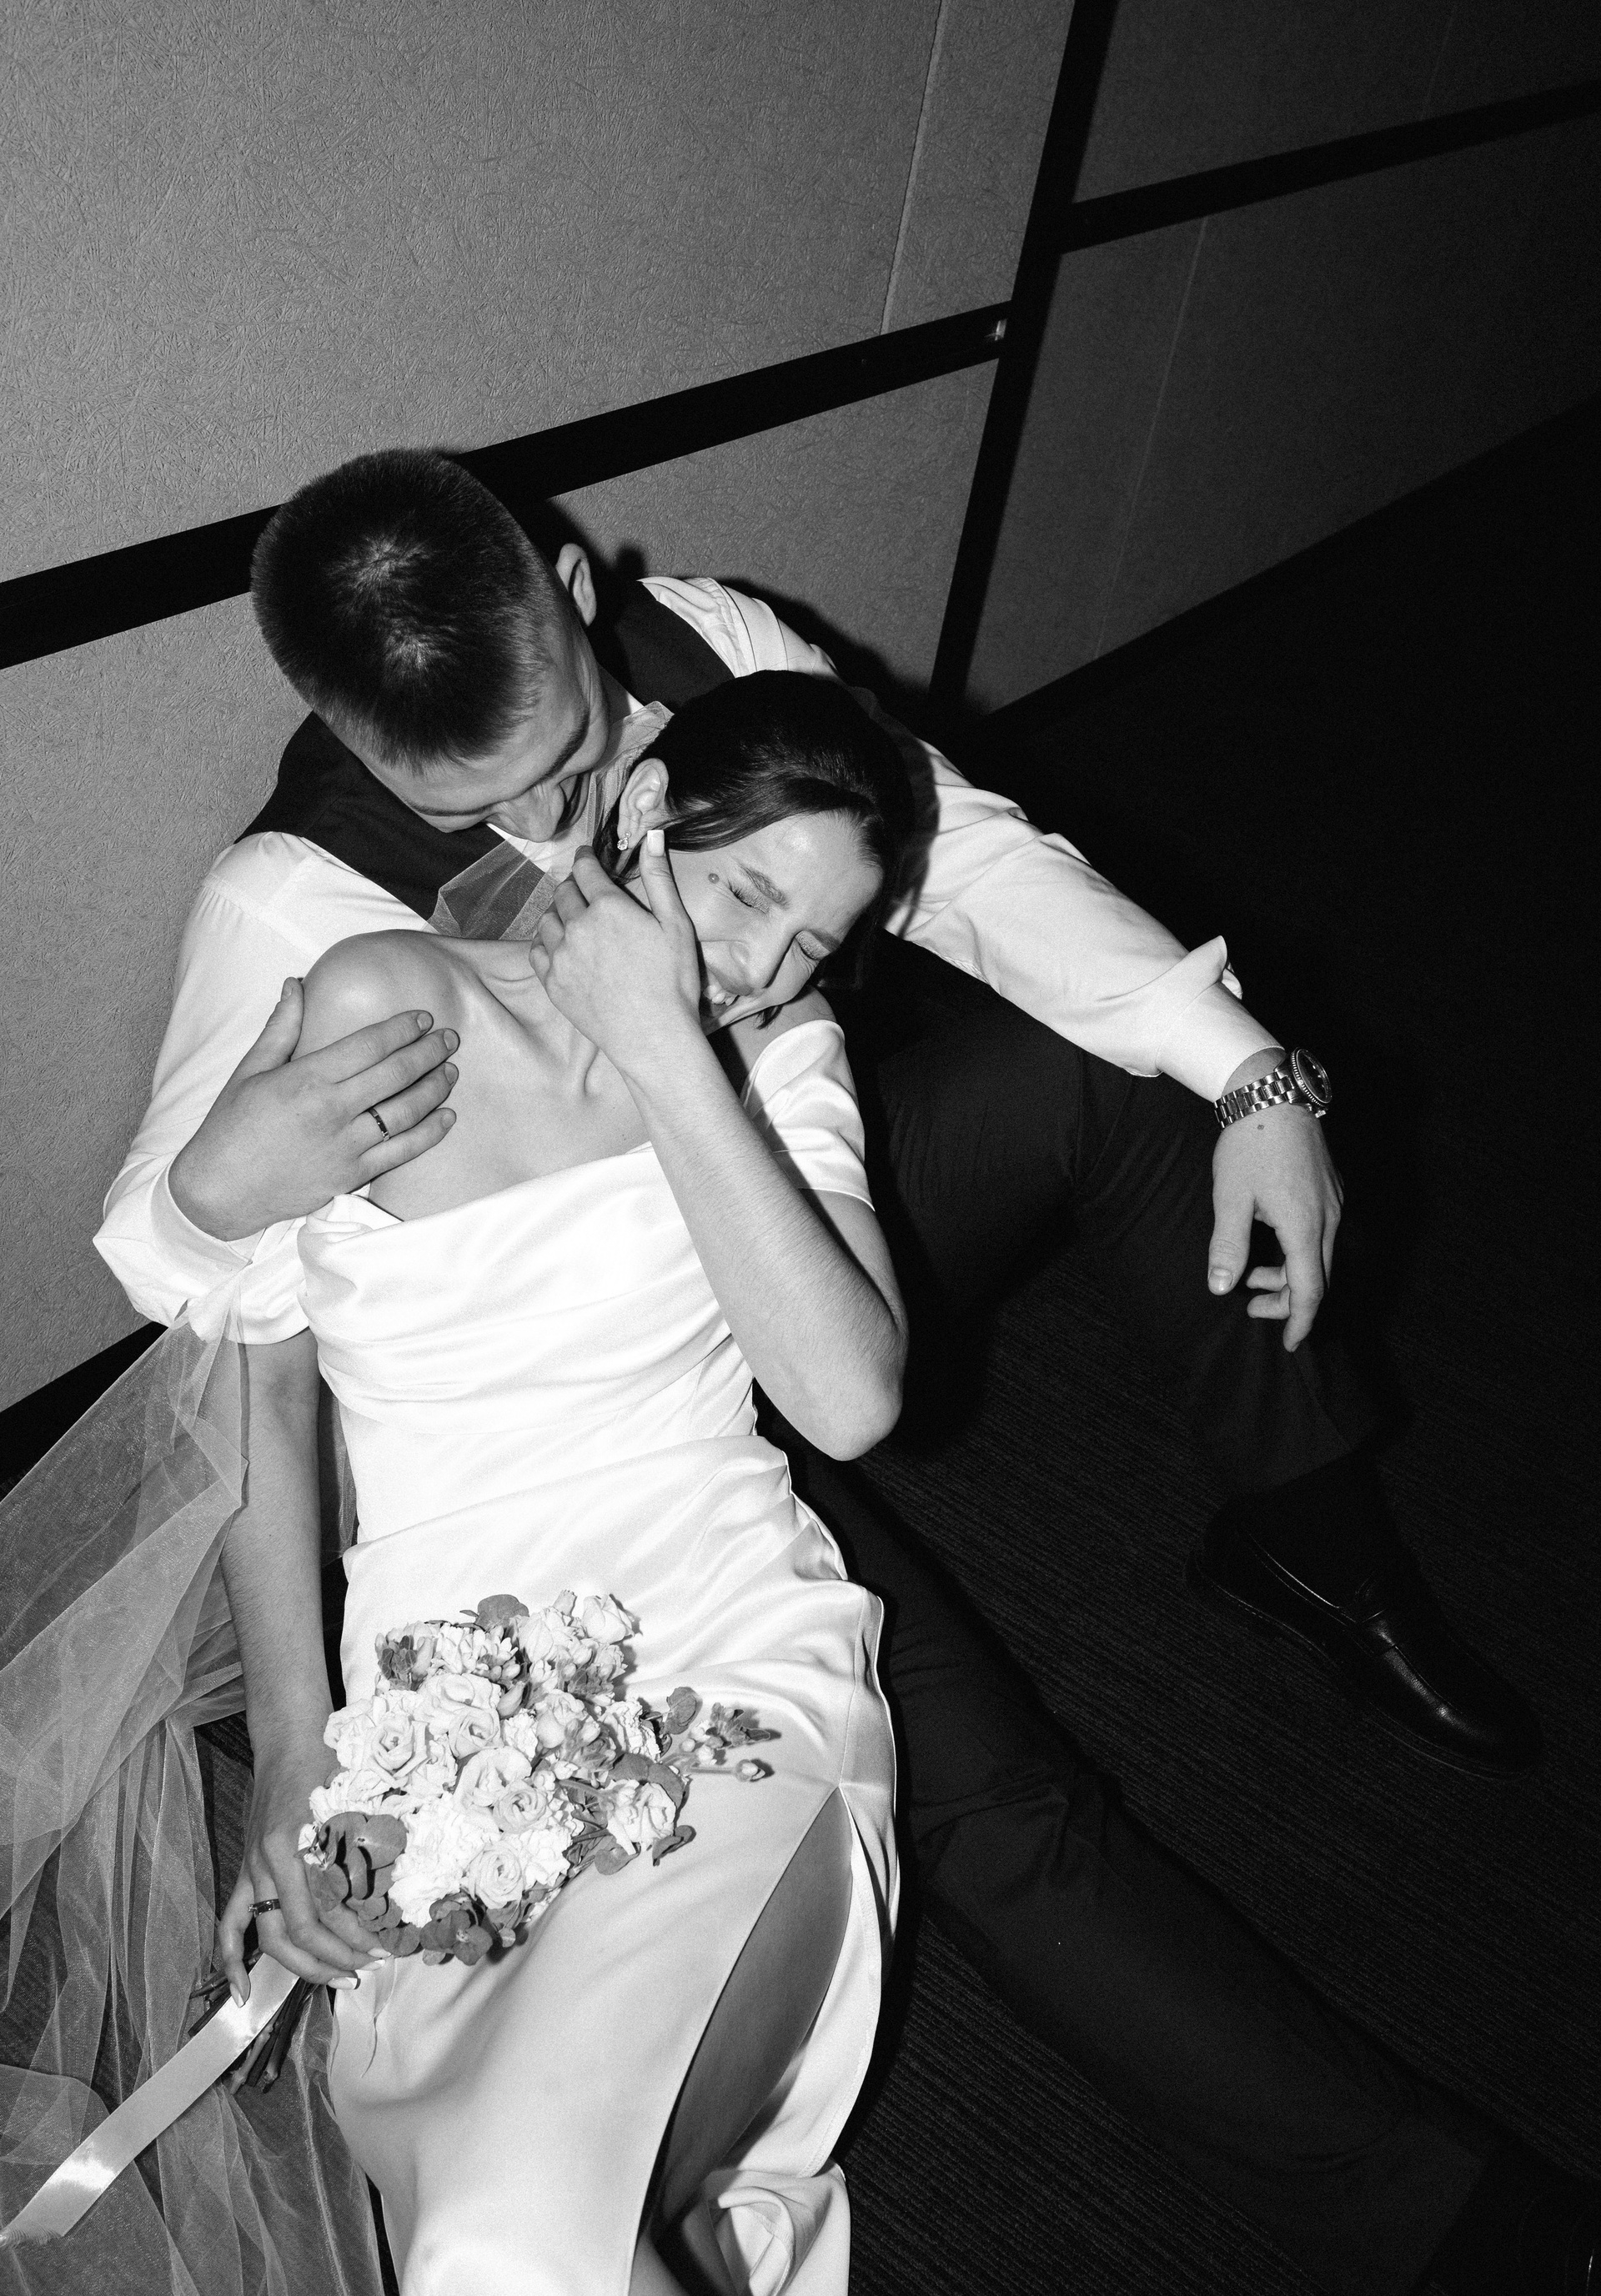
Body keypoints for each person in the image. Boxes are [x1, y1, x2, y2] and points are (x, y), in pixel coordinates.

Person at [88, 451, 1592, 2296]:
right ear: (355, 743)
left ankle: (1314, 1526)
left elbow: (972, 867)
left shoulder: (713, 650)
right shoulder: (296, 907)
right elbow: (206, 1286)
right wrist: (220, 1187)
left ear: (573, 590)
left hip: (776, 1231)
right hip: (518, 1399)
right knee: (997, 1794)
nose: (559, 829)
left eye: (570, 762)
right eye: (483, 805)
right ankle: (1447, 2214)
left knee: (1123, 1080)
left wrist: (1254, 1072)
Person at [206, 678, 912, 2292]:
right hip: (439, 1715)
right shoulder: (393, 999)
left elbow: (850, 1400)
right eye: (744, 894)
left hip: (732, 1667)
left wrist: (670, 1048)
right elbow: (259, 1375)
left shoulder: (779, 1063)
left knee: (515, 2233)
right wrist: (295, 1747)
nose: (760, 966)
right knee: (500, 2220)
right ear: (645, 809)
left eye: (811, 943)